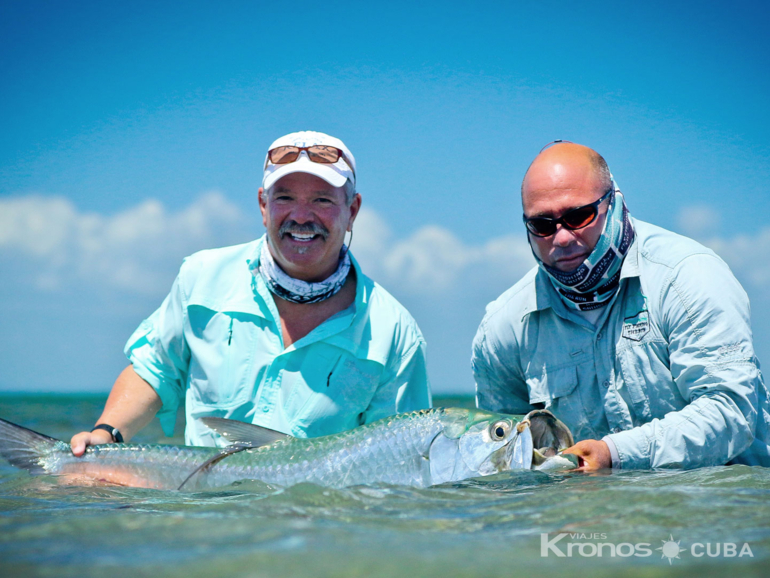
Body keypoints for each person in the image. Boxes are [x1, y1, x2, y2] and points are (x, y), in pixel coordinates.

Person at [71, 130, 431, 454]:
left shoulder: (394, 331)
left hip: (320, 525)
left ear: (352, 211)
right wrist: (106, 434)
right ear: (263, 206)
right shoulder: (201, 276)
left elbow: (399, 455)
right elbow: (155, 371)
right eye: (285, 197)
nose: (301, 216)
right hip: (206, 519)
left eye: (322, 200)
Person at [472, 141, 770, 470]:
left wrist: (614, 455)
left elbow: (731, 411)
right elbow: (501, 460)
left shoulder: (686, 278)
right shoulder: (503, 329)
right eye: (542, 225)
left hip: (720, 509)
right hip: (590, 518)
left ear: (613, 202)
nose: (562, 238)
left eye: (578, 216)